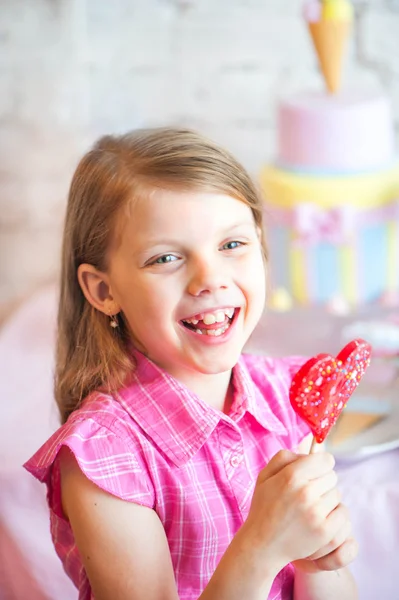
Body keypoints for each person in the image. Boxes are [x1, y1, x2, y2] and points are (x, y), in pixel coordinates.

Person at [24, 127, 358, 600]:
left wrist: (317, 557)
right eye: (165, 257)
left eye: (232, 245)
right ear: (104, 291)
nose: (210, 278)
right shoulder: (105, 458)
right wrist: (261, 548)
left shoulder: (291, 397)